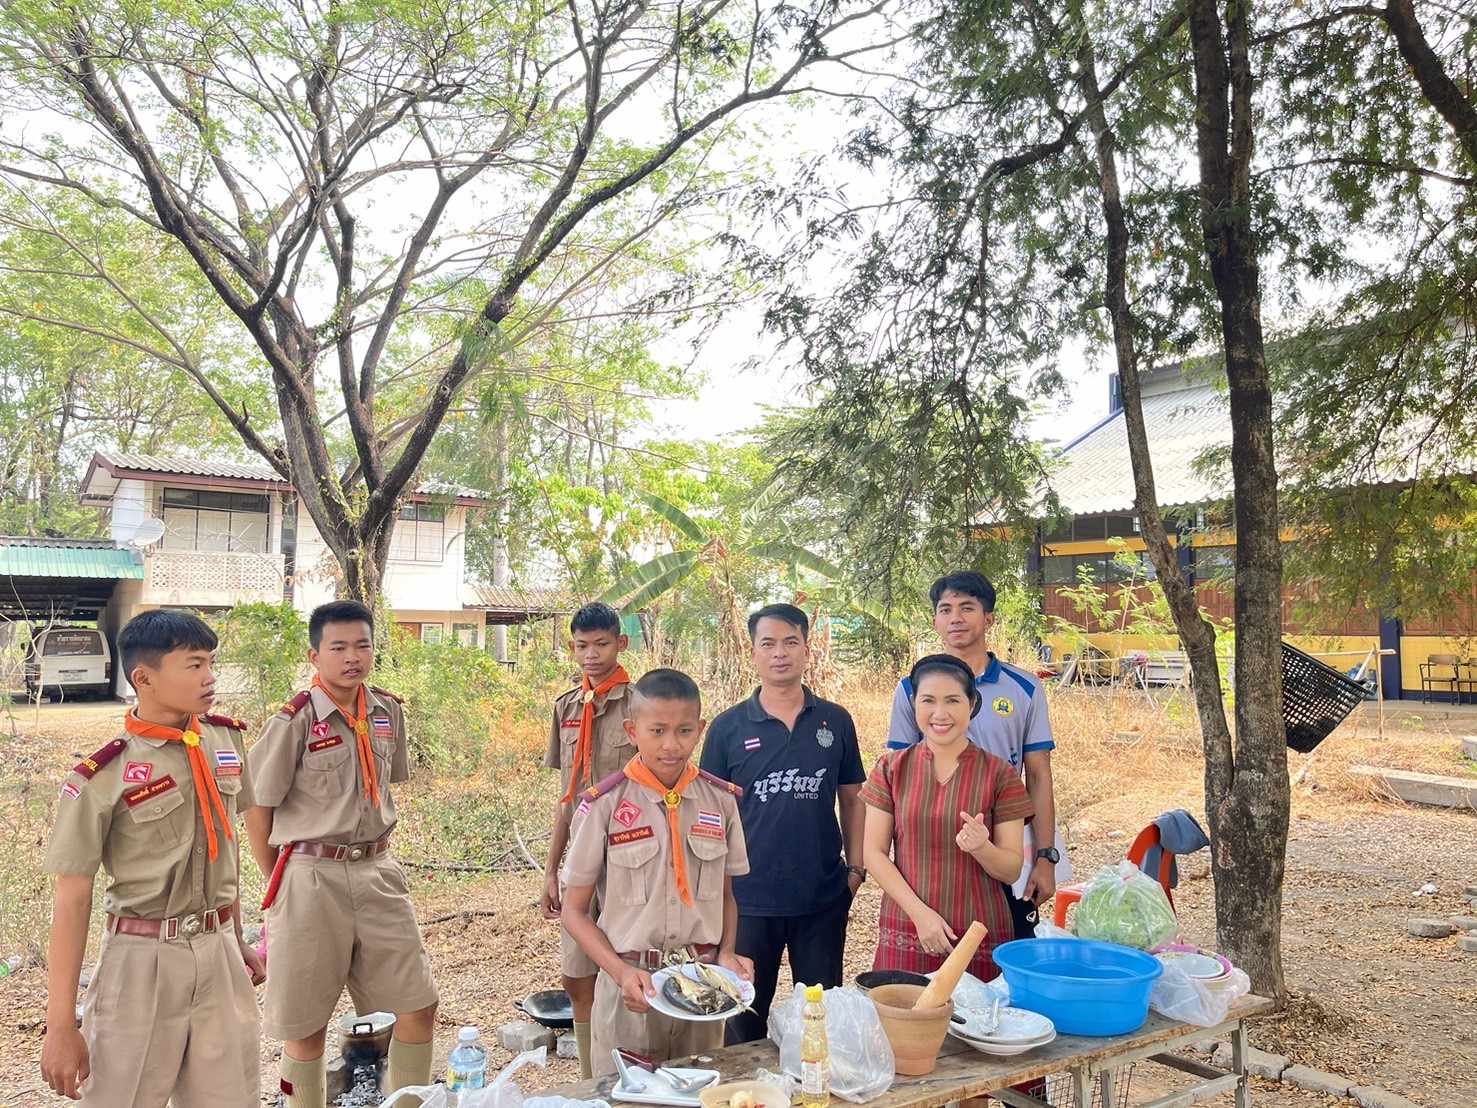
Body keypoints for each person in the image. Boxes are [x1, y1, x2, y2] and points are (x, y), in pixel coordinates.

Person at [40, 610, 263, 1105]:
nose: (209, 677)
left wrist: (235, 935)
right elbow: (72, 900)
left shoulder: (225, 740)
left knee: (231, 1098)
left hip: (219, 951)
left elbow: (222, 845)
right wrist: (60, 1025)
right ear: (144, 678)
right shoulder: (104, 775)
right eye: (194, 665)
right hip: (141, 960)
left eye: (211, 663)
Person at [244, 601, 437, 1108]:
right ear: (315, 655)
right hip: (311, 876)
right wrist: (279, 879)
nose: (353, 657)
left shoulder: (386, 711)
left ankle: (408, 1103)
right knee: (305, 1024)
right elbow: (257, 807)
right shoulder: (294, 721)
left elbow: (388, 783)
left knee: (417, 1005)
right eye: (339, 647)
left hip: (378, 871)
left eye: (362, 645)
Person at [561, 668, 754, 1076]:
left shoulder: (719, 802)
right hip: (631, 988)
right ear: (632, 731)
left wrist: (727, 952)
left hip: (701, 987)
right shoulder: (605, 805)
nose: (671, 744)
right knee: (627, 1095)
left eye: (684, 731)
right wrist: (620, 972)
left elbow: (725, 896)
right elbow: (573, 912)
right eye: (657, 731)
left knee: (699, 1089)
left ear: (700, 729)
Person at [699, 603, 865, 1043]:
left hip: (821, 898)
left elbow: (852, 798)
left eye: (790, 642)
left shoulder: (835, 721)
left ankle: (813, 1081)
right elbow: (708, 815)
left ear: (807, 650)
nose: (779, 653)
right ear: (752, 652)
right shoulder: (728, 728)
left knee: (820, 1019)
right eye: (768, 644)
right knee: (742, 1023)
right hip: (747, 901)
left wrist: (855, 871)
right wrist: (713, 890)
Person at [884, 571, 1067, 938]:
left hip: (1006, 844)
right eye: (946, 609)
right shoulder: (910, 690)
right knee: (934, 958)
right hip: (932, 849)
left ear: (989, 618)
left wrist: (1046, 857)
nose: (956, 618)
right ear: (935, 621)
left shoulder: (1024, 687)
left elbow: (1038, 774)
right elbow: (897, 775)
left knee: (1005, 950)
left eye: (967, 608)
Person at [863, 654, 1033, 980]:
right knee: (900, 1011)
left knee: (976, 1013)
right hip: (906, 931)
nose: (940, 713)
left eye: (952, 700)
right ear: (914, 704)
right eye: (928, 700)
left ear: (972, 704)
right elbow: (873, 854)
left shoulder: (1000, 775)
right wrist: (921, 915)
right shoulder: (891, 769)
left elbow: (1011, 869)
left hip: (978, 936)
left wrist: (982, 848)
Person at [539, 602, 634, 1078]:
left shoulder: (641, 705)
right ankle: (589, 1079)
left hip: (629, 855)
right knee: (577, 975)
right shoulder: (567, 708)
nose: (591, 655)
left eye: (601, 644)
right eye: (581, 646)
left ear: (621, 643)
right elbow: (566, 796)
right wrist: (550, 869)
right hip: (580, 858)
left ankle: (626, 1073)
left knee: (627, 965)